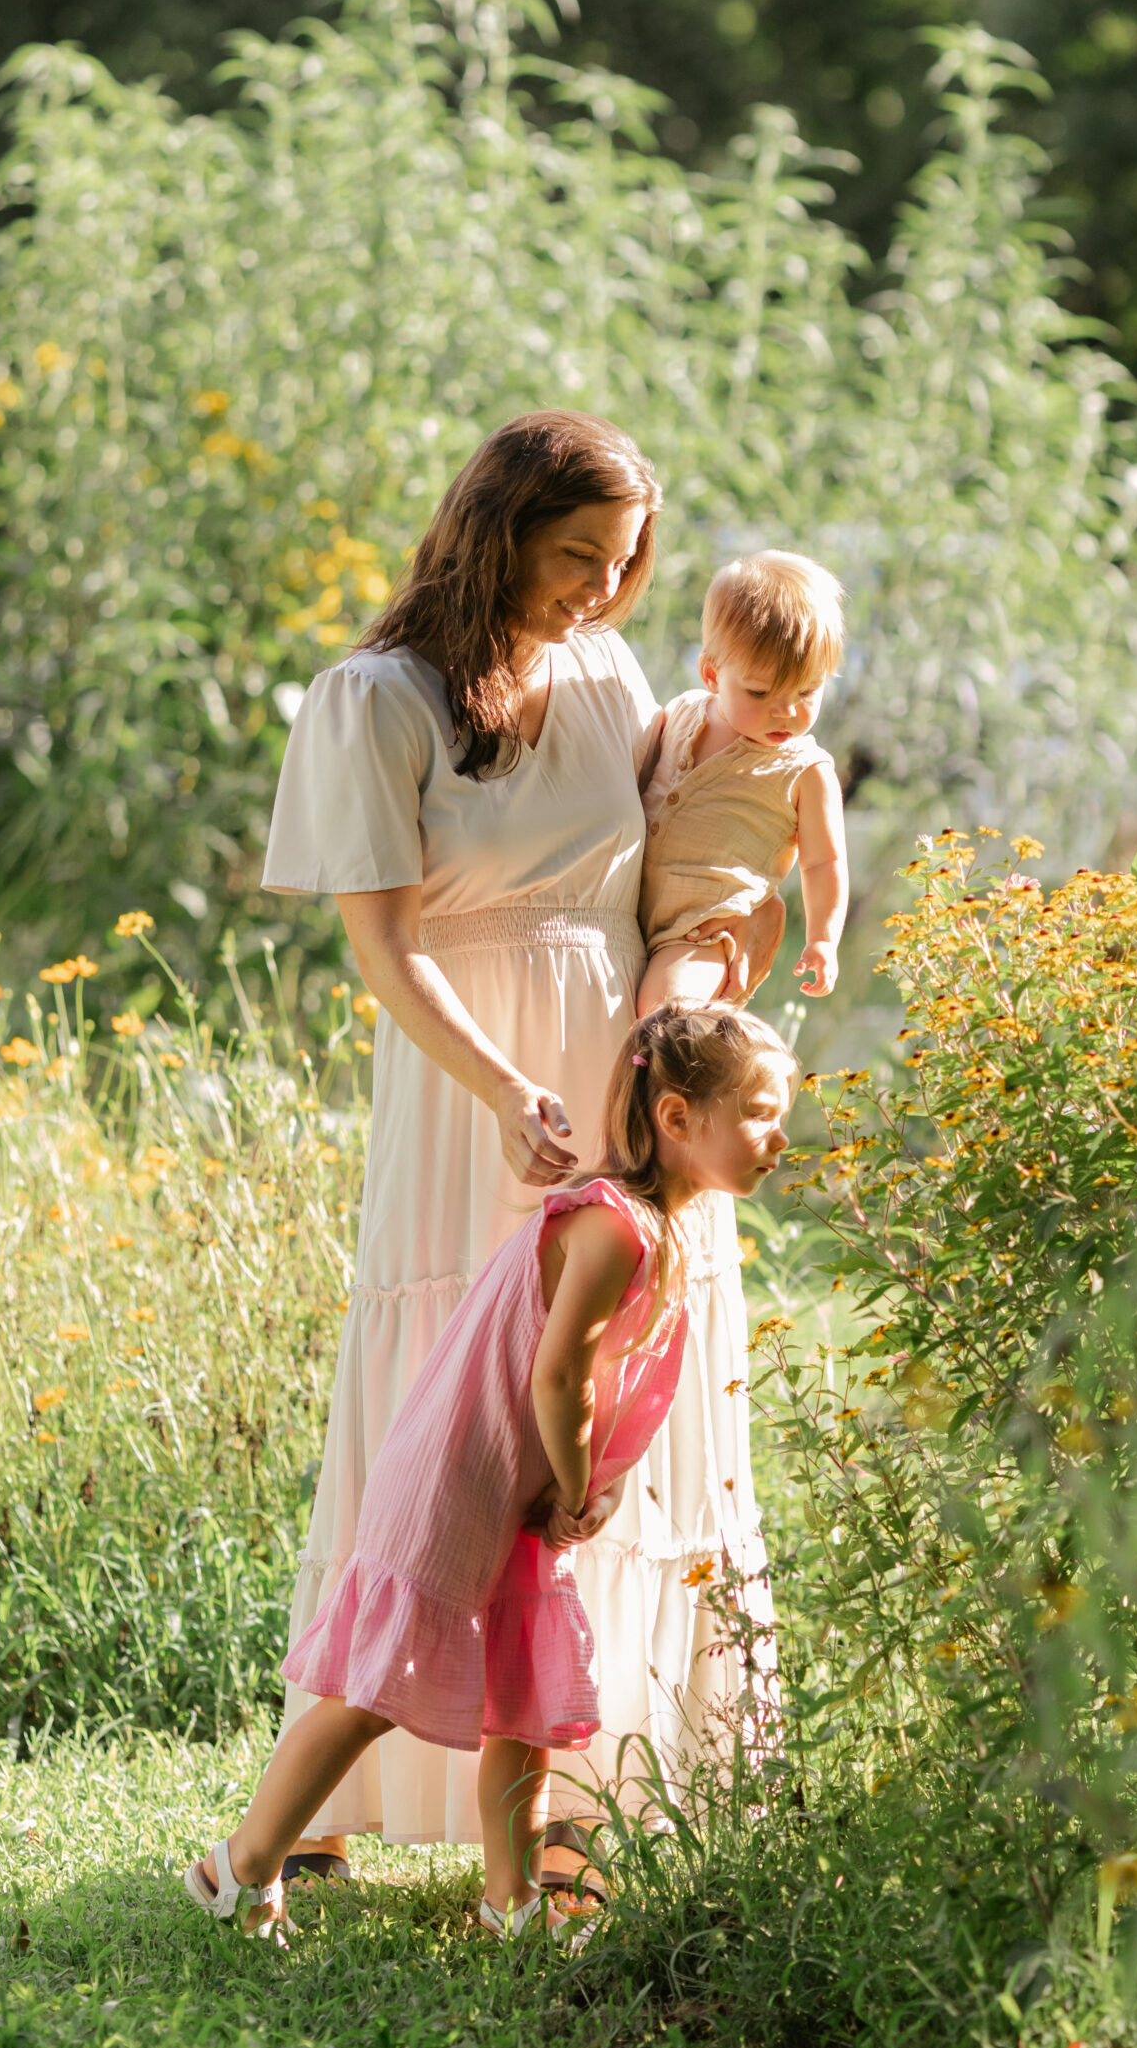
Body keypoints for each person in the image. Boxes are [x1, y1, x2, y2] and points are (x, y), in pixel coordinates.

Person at [260, 411, 784, 1894]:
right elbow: (382, 947)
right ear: (497, 528)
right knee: (459, 1401)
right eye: (574, 558)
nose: (598, 593)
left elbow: (678, 863)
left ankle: (587, 1800)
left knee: (625, 1393)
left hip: (624, 1071)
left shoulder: (610, 669)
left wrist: (700, 974)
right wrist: (502, 1088)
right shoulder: (379, 699)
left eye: (622, 566)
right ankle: (340, 1799)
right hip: (469, 1081)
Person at [184, 1009, 797, 1940]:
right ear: (676, 1118)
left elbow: (591, 1376)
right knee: (368, 1693)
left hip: (505, 1485)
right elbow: (557, 1374)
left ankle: (508, 1902)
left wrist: (581, 1478)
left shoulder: (654, 1228)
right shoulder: (616, 1229)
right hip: (458, 1478)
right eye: (757, 1111)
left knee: (523, 1701)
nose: (779, 1137)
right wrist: (582, 1480)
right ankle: (241, 1866)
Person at [638, 551, 849, 1015]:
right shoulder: (681, 713)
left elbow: (824, 863)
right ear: (712, 673)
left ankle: (695, 1081)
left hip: (704, 931)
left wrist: (823, 939)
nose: (787, 711)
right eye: (760, 692)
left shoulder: (805, 771)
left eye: (807, 692)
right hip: (629, 912)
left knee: (665, 1008)